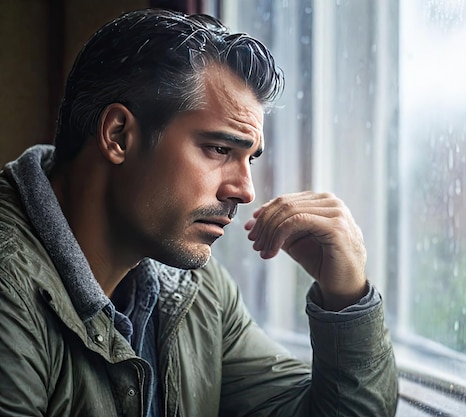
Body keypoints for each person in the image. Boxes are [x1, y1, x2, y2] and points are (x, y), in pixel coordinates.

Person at [0, 8, 398, 417]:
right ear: (118, 135)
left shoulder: (195, 290)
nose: (245, 191)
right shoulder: (9, 290)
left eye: (250, 159)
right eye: (219, 150)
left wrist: (346, 296)